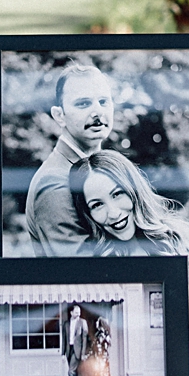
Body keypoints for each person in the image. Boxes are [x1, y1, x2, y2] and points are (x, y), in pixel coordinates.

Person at [68, 150, 189, 319]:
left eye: (117, 193)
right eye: (97, 205)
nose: (112, 213)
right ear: (88, 214)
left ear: (134, 190)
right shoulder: (96, 276)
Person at [24, 65, 120, 254]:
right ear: (59, 116)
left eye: (103, 101)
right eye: (83, 104)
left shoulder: (103, 168)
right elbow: (82, 270)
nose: (97, 112)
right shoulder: (55, 183)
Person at [63, 303, 88, 376]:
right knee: (74, 375)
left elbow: (84, 339)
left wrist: (83, 353)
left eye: (79, 312)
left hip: (78, 351)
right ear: (71, 312)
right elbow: (64, 339)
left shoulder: (83, 322)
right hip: (69, 350)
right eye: (76, 312)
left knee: (71, 372)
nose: (78, 314)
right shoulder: (66, 324)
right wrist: (63, 353)